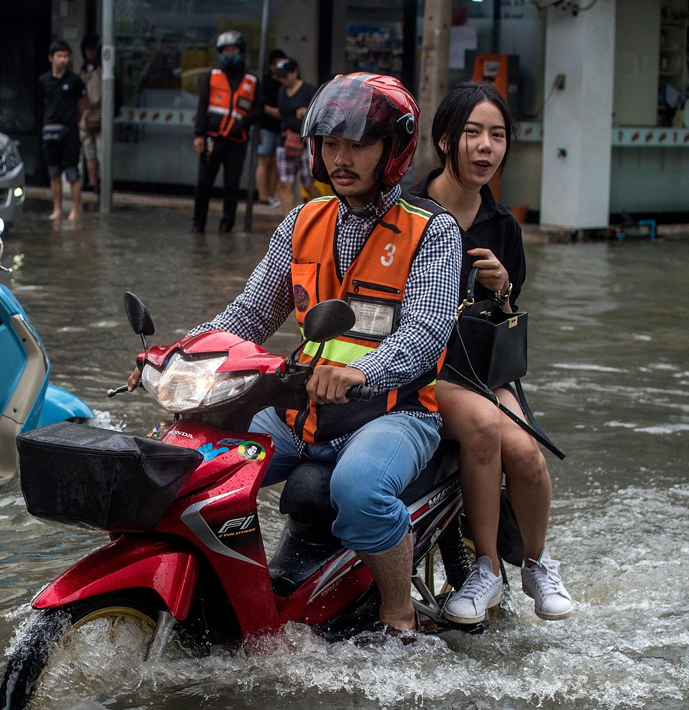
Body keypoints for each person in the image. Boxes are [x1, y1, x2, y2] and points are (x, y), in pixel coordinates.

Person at [135, 73, 461, 631]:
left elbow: (426, 333)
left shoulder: (433, 230)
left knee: (358, 490)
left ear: (394, 149)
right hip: (301, 409)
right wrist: (176, 359)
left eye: (358, 145)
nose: (341, 158)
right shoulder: (302, 221)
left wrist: (359, 372)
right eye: (331, 144)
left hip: (395, 412)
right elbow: (248, 316)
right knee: (187, 466)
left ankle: (398, 616)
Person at [409, 81, 574, 624]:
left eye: (497, 136)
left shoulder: (503, 227)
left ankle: (536, 562)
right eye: (472, 133)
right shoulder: (408, 210)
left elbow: (508, 319)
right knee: (484, 427)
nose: (485, 147)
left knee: (526, 452)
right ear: (444, 140)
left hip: (481, 369)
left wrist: (501, 288)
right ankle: (487, 569)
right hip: (422, 371)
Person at [191, 30, 263, 233]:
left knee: (231, 186)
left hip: (237, 142)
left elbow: (259, 109)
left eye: (234, 49)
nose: (230, 53)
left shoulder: (252, 80)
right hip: (211, 139)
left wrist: (244, 122)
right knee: (203, 184)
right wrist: (198, 135)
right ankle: (198, 224)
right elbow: (202, 106)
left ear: (241, 51)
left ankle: (227, 225)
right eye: (226, 50)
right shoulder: (212, 76)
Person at [38, 40, 87, 222]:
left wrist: (78, 120)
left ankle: (74, 210)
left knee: (73, 172)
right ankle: (57, 209)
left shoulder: (74, 80)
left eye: (66, 56)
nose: (62, 60)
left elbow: (82, 103)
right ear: (51, 58)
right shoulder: (44, 80)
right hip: (50, 129)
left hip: (70, 129)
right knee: (54, 172)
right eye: (59, 56)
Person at [274, 57, 317, 213]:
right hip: (286, 140)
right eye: (280, 77)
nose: (283, 80)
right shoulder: (282, 91)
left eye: (285, 76)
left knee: (307, 183)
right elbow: (281, 113)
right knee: (286, 184)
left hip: (303, 142)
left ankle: (324, 213)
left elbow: (320, 114)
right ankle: (288, 223)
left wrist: (307, 113)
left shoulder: (308, 90)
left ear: (295, 72)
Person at [255, 49, 288, 207]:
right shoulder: (265, 82)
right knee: (264, 160)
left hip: (280, 128)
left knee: (276, 162)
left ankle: (272, 195)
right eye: (275, 63)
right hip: (266, 126)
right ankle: (262, 196)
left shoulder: (284, 83)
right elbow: (258, 106)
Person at [79, 34, 103, 193]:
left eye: (92, 50)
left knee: (102, 151)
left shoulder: (102, 69)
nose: (90, 53)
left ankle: (102, 182)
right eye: (87, 50)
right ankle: (92, 182)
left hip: (101, 114)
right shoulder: (82, 70)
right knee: (89, 152)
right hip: (86, 116)